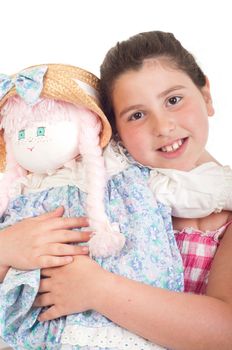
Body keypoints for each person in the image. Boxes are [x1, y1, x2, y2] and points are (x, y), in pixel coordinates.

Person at [32, 31, 232, 350]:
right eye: (136, 115)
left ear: (206, 95)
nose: (163, 126)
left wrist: (99, 289)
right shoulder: (102, 202)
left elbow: (225, 332)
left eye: (173, 100)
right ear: (115, 131)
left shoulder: (226, 218)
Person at [0, 63, 183, 349]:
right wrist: (4, 248)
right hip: (44, 328)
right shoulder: (21, 192)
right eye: (22, 133)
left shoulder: (128, 178)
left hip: (134, 318)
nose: (32, 143)